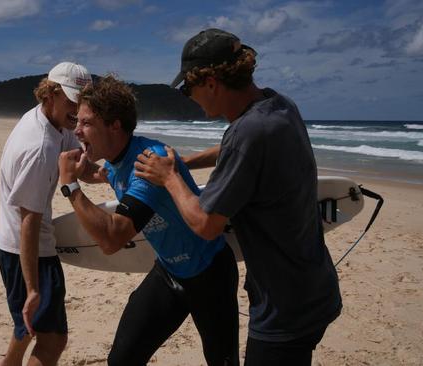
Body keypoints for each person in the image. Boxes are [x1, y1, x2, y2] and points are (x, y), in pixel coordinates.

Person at [134, 28, 342, 365]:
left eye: (188, 88)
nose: (189, 96)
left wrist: (170, 177)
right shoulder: (278, 106)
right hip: (316, 287)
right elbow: (237, 149)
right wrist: (187, 162)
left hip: (284, 306)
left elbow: (205, 224)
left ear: (212, 82)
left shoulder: (247, 134)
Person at [58, 76, 239, 366]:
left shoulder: (147, 162)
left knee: (223, 362)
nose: (76, 130)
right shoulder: (116, 162)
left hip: (210, 275)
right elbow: (105, 174)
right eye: (76, 121)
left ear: (115, 124)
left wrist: (71, 186)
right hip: (169, 273)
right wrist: (85, 173)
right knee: (122, 360)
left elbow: (113, 238)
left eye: (86, 123)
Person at [0, 62, 100, 366]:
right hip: (27, 250)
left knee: (27, 327)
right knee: (52, 339)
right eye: (71, 100)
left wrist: (109, 174)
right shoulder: (39, 148)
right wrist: (32, 288)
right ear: (50, 94)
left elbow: (77, 161)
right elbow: (29, 221)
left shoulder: (55, 122)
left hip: (19, 243)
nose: (77, 109)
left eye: (82, 102)